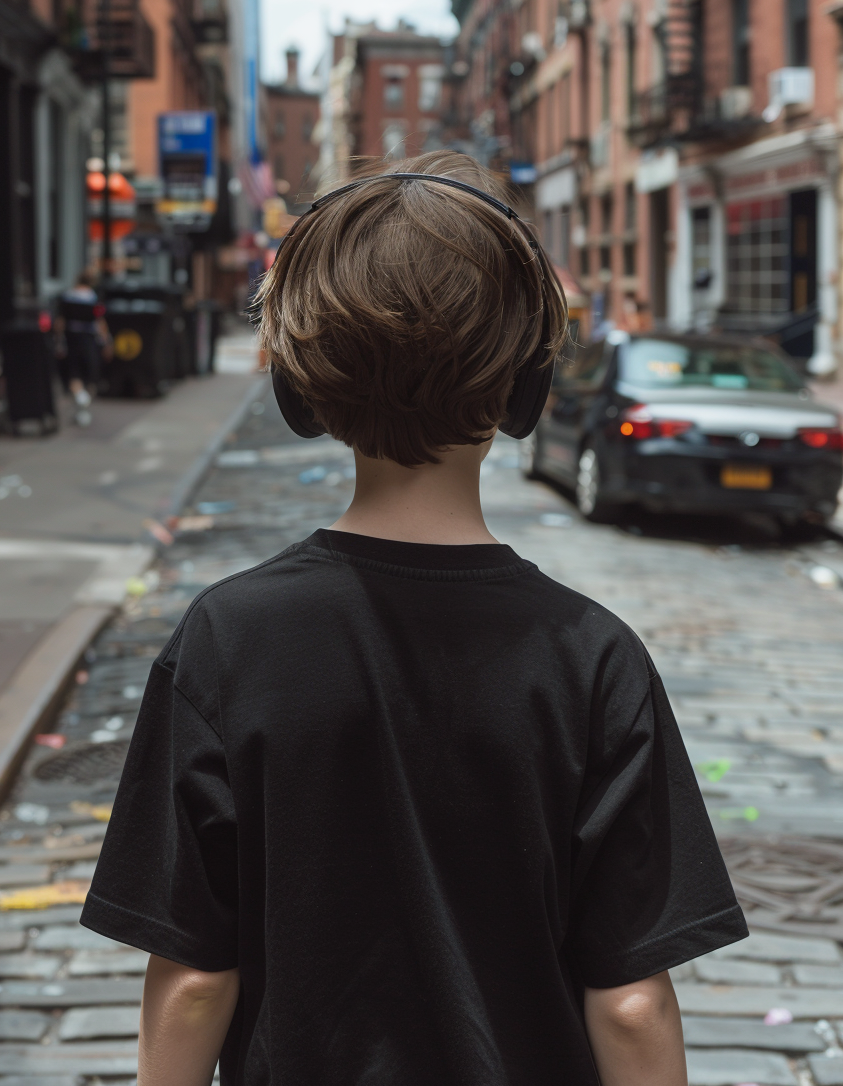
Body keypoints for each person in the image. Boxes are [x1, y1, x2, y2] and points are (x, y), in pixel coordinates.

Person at [81, 151, 747, 1086]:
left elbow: (193, 981)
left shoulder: (224, 644)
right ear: (524, 390)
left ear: (301, 391)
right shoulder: (594, 660)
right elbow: (633, 1002)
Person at [56, 271, 110, 426]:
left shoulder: (67, 296)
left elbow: (60, 321)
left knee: (74, 372)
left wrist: (59, 340)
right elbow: (100, 322)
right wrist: (106, 342)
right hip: (88, 338)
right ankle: (83, 403)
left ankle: (80, 401)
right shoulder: (93, 298)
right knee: (88, 371)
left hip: (71, 337)